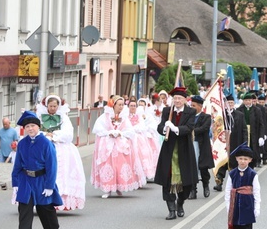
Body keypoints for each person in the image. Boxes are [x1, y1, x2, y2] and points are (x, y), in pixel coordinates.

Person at [11, 111, 62, 229]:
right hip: (26, 180)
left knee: (45, 210)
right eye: (27, 127)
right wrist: (15, 183)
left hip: (42, 180)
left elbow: (52, 165)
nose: (30, 129)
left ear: (38, 127)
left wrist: (49, 185)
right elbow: (17, 165)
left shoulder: (46, 143)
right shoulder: (22, 144)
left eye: (33, 125)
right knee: (24, 209)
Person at [154, 87, 197, 220]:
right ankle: (171, 209)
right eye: (175, 98)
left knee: (187, 182)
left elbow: (189, 128)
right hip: (169, 149)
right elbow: (160, 127)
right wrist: (165, 127)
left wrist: (175, 128)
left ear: (185, 100)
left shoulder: (191, 112)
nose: (177, 101)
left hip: (184, 149)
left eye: (180, 98)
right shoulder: (167, 111)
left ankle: (180, 203)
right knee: (167, 179)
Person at [38, 95, 86, 210]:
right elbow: (35, 129)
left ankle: (61, 199)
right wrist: (45, 135)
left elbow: (69, 133)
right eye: (51, 106)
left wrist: (54, 135)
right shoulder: (40, 117)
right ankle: (42, 200)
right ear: (47, 106)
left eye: (55, 106)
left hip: (60, 147)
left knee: (61, 172)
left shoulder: (63, 117)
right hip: (44, 146)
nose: (53, 108)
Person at [91, 96, 145, 198]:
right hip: (108, 145)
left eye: (122, 105)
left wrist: (120, 133)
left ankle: (119, 187)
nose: (121, 107)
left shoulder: (124, 117)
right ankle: (108, 188)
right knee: (109, 165)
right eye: (119, 105)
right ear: (114, 105)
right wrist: (109, 132)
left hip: (120, 145)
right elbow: (98, 128)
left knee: (119, 166)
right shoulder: (105, 116)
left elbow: (130, 131)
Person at [224, 143, 261, 229]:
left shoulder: (252, 174)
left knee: (246, 226)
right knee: (237, 226)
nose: (243, 161)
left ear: (250, 160)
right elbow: (228, 190)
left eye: (245, 159)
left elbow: (256, 191)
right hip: (235, 204)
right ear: (236, 159)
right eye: (240, 158)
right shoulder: (232, 174)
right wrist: (228, 206)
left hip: (247, 204)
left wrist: (257, 207)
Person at [189, 95, 213, 199]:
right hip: (190, 144)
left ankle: (206, 185)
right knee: (191, 167)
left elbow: (204, 128)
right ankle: (193, 190)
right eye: (191, 105)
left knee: (203, 168)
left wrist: (191, 131)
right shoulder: (188, 116)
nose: (192, 107)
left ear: (200, 106)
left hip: (201, 145)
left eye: (193, 105)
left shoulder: (206, 117)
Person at [236, 92, 264, 168]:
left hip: (254, 133)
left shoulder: (257, 110)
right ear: (243, 101)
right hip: (243, 133)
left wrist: (261, 136)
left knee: (253, 150)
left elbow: (261, 124)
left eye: (249, 100)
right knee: (243, 149)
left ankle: (252, 165)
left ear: (252, 100)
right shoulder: (239, 109)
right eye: (246, 100)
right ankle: (243, 165)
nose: (248, 102)